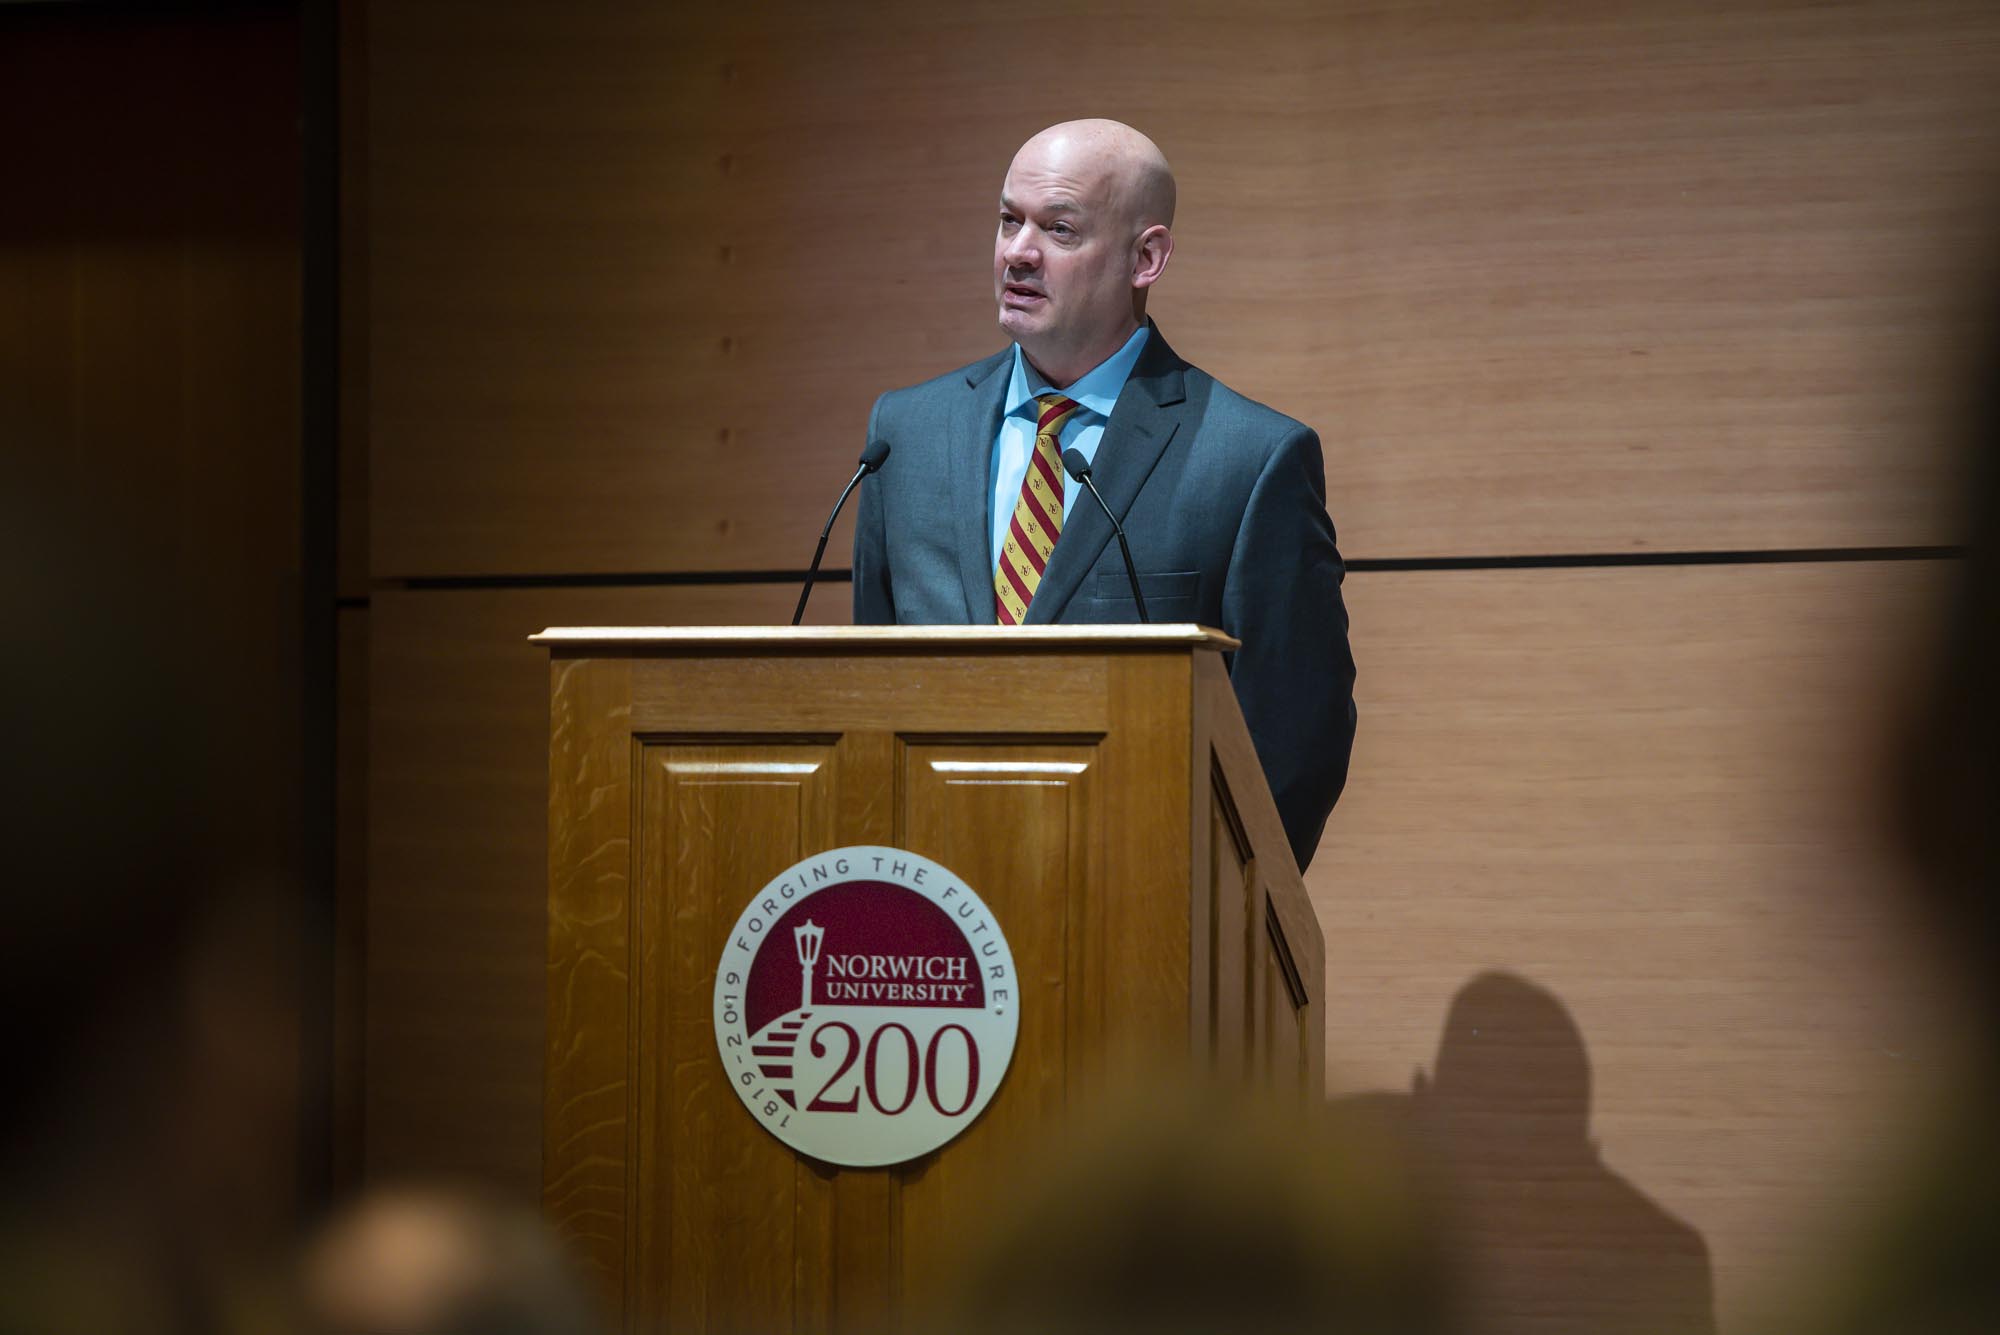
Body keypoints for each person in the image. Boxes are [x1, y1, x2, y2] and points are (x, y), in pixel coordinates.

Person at [851, 119, 1357, 871]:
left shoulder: (1250, 459)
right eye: (1007, 219)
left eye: (1058, 228)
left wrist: (1202, 902)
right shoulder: (906, 434)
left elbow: (1295, 737)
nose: (1019, 251)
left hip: (1134, 913)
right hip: (934, 913)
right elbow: (869, 689)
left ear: (1145, 257)